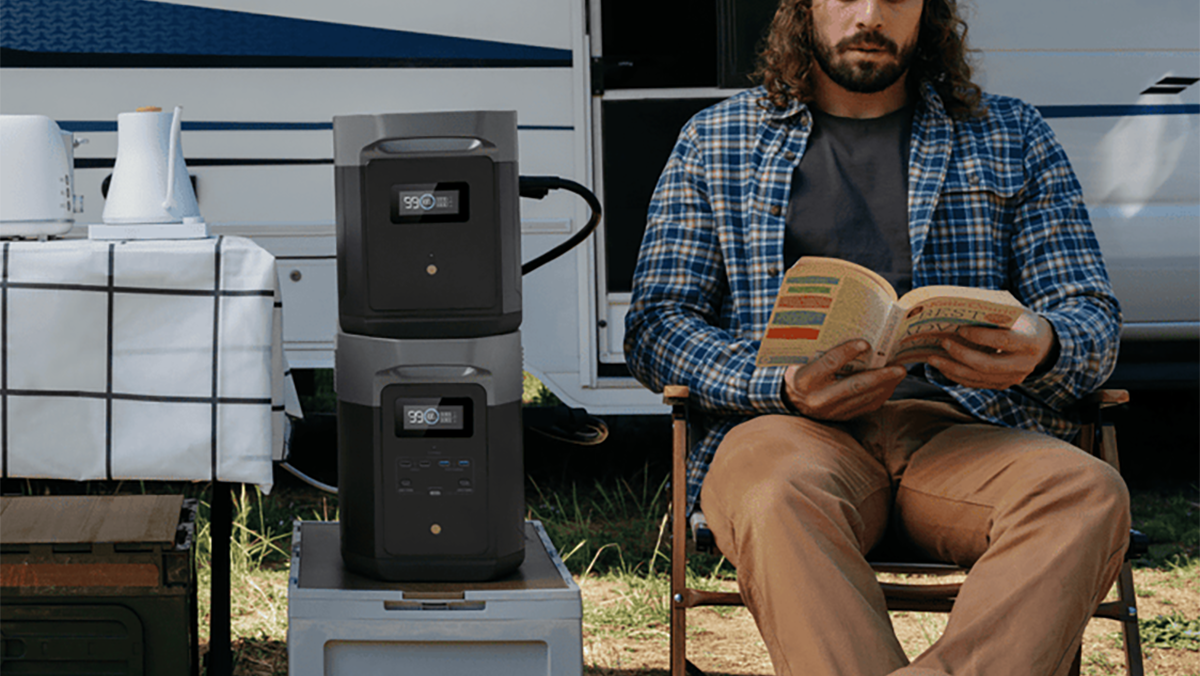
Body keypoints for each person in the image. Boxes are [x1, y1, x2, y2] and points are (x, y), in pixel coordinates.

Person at [623, 0, 1131, 675]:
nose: (869, 15)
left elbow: (1089, 312)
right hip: (785, 429)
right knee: (776, 495)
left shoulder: (1011, 134)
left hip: (961, 431)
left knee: (1088, 493)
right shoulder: (718, 140)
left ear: (929, 13)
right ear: (803, 9)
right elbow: (658, 322)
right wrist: (778, 384)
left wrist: (1046, 346)